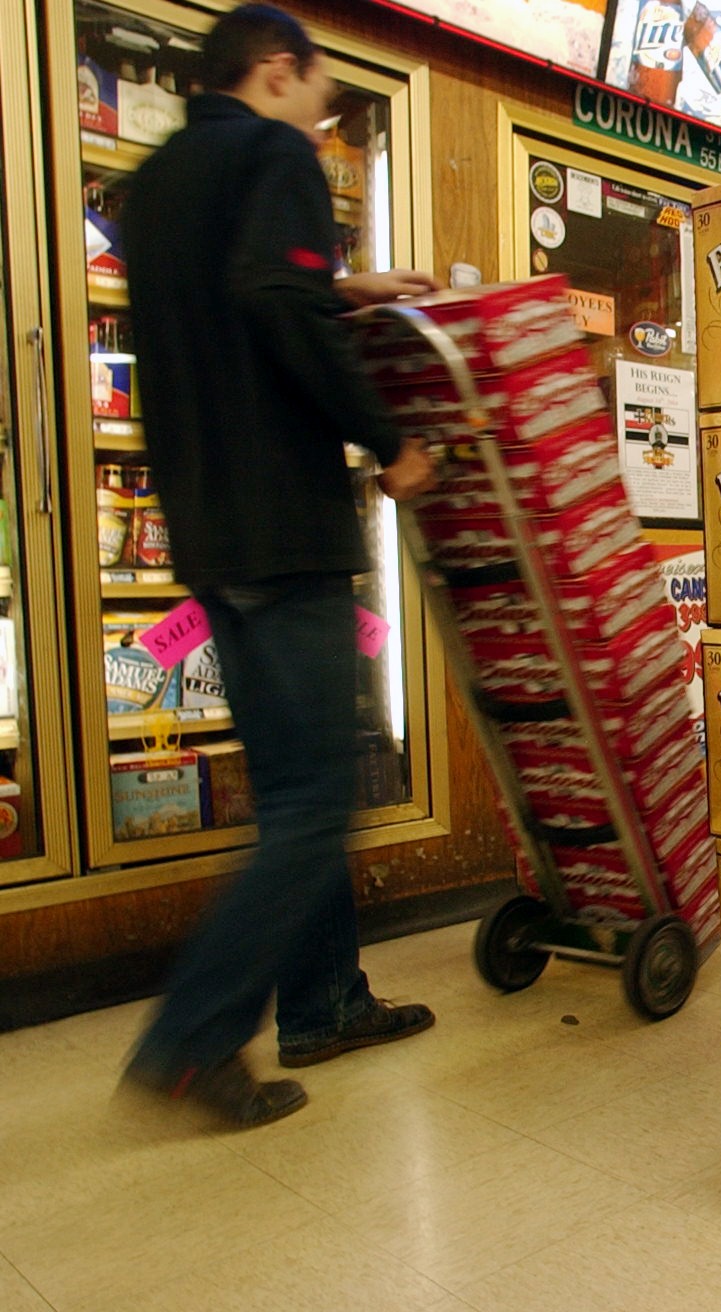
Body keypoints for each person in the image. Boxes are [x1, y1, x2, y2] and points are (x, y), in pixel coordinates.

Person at [120, 4, 441, 1128]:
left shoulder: (157, 183)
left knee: (297, 787)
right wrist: (387, 435)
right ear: (275, 70)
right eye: (318, 88)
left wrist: (342, 289)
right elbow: (269, 300)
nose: (323, 110)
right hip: (286, 523)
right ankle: (191, 1041)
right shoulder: (275, 153)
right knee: (313, 799)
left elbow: (226, 299)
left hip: (208, 525)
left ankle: (324, 1001)